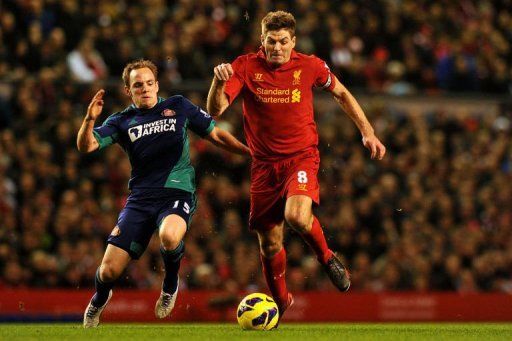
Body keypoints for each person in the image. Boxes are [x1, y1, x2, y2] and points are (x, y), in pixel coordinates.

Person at [207, 11, 386, 319]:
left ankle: (327, 258)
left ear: (293, 41)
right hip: (263, 167)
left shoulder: (311, 65)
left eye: (283, 42)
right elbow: (217, 109)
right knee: (269, 244)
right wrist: (216, 81)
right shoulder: (246, 66)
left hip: (301, 157)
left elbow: (342, 92)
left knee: (297, 216)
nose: (277, 47)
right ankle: (281, 302)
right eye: (271, 41)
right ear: (262, 40)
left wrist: (367, 131)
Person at [77, 59, 250, 328]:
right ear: (127, 90)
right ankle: (99, 300)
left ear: (157, 85)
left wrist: (250, 153)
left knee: (169, 236)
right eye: (137, 85)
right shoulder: (121, 121)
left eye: (149, 83)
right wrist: (89, 119)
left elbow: (215, 135)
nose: (144, 89)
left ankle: (170, 285)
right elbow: (87, 146)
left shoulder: (178, 106)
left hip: (176, 192)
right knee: (108, 270)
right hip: (140, 200)